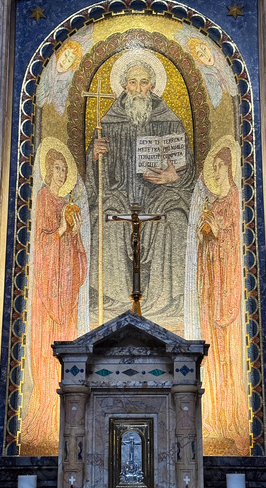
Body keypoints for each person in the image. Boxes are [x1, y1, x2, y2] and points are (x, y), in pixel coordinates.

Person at [86, 55, 195, 330]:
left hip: (162, 195)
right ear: (123, 87)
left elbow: (189, 170)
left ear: (153, 87)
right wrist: (94, 156)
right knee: (107, 221)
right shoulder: (108, 123)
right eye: (132, 82)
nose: (138, 88)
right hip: (119, 194)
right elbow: (95, 180)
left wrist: (174, 176)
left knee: (176, 221)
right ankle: (113, 301)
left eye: (144, 82)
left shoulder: (169, 121)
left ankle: (167, 302)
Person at [21, 148, 87, 455]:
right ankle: (45, 416)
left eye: (64, 170)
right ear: (47, 171)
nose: (61, 174)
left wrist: (73, 235)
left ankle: (68, 418)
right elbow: (38, 246)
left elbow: (78, 252)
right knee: (48, 347)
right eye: (57, 169)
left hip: (66, 292)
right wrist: (61, 230)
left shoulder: (67, 204)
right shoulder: (44, 200)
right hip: (47, 293)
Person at [196, 145, 249, 455]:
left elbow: (236, 245)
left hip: (230, 294)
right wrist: (207, 236)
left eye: (219, 169)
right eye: (213, 169)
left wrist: (219, 235)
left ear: (230, 170)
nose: (215, 174)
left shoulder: (236, 203)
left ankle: (234, 419)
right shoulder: (212, 205)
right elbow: (206, 249)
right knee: (215, 356)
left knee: (231, 354)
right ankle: (216, 417)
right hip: (213, 290)